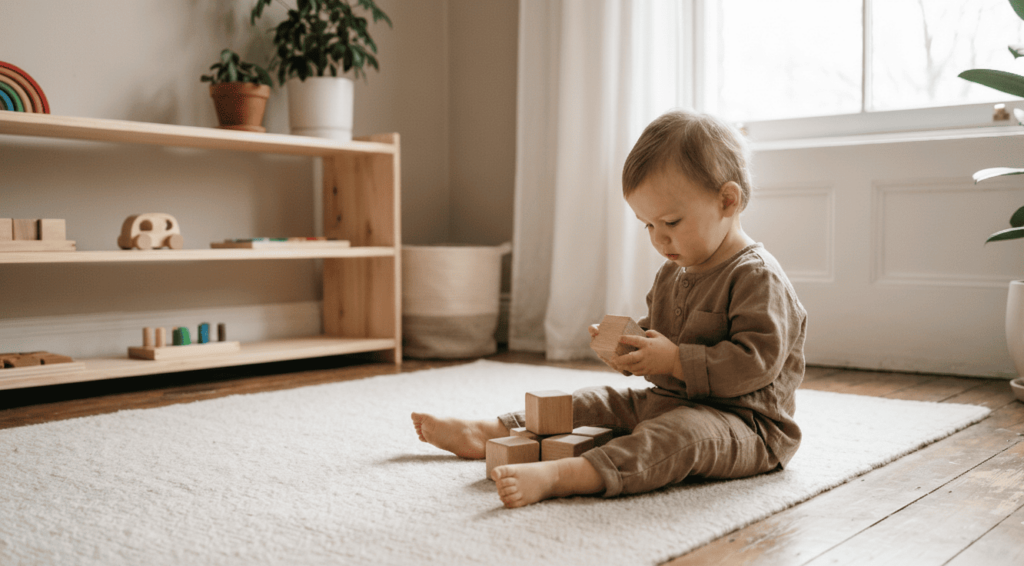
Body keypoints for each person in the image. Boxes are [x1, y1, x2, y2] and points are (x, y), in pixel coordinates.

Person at [412, 109, 807, 508]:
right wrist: (631, 349)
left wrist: (674, 361)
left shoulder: (757, 277)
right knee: (594, 401)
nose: (658, 239)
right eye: (648, 225)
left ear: (727, 201)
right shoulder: (674, 270)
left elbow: (755, 365)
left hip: (747, 426)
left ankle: (566, 475)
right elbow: (661, 338)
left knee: (675, 436)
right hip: (669, 401)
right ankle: (492, 432)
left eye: (670, 222)